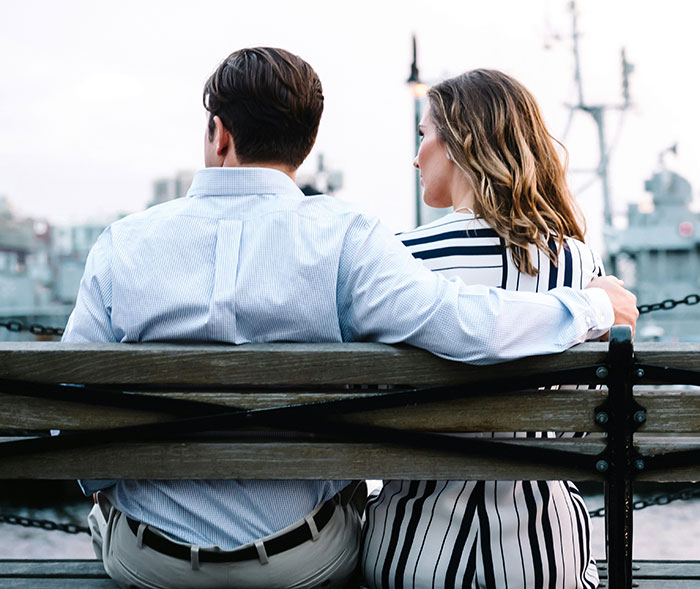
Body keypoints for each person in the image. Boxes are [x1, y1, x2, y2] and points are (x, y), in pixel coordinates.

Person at [62, 49, 636, 589]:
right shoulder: (346, 239)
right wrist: (589, 306)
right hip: (300, 561)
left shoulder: (122, 244)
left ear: (219, 133)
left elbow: (73, 415)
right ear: (306, 145)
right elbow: (463, 324)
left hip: (150, 562)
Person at [361, 69, 612, 589]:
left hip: (412, 553)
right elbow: (583, 420)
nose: (415, 156)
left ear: (460, 144)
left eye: (423, 136)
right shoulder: (575, 266)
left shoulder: (400, 261)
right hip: (546, 556)